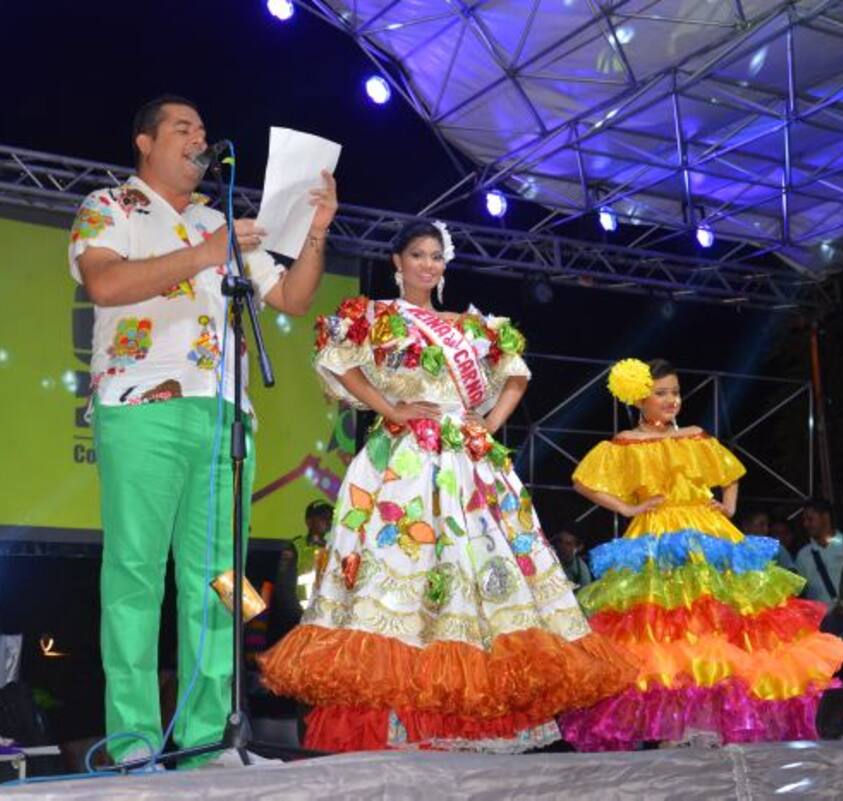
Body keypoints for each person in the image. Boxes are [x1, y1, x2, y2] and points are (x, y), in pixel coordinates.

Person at [259, 220, 628, 752]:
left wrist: (490, 422)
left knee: (474, 578)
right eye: (417, 254)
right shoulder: (377, 318)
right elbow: (337, 364)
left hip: (468, 464)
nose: (428, 264)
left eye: (435, 256)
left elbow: (516, 373)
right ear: (397, 261)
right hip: (404, 463)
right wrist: (392, 410)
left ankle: (466, 721)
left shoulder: (470, 326)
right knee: (400, 577)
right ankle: (399, 725)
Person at [68, 95, 338, 767]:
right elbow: (104, 284)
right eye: (182, 128)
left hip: (224, 415)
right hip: (139, 406)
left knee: (221, 579)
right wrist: (206, 254)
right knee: (134, 574)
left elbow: (293, 298)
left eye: (203, 130)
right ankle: (132, 742)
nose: (199, 138)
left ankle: (209, 737)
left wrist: (315, 233)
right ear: (144, 141)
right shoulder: (110, 206)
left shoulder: (219, 218)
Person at [558, 358, 843, 750]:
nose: (672, 400)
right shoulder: (627, 442)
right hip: (657, 536)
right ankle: (677, 725)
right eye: (661, 393)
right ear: (639, 398)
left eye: (676, 392)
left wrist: (728, 507)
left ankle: (718, 721)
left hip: (707, 534)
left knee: (719, 624)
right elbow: (582, 480)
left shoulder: (694, 435)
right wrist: (627, 508)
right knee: (667, 630)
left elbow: (730, 472)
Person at [794, 498, 843, 611]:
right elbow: (798, 591)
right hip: (820, 618)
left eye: (810, 519)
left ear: (825, 517)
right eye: (804, 520)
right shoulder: (803, 555)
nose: (806, 524)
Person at [286, 500, 333, 604]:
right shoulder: (296, 546)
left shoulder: (336, 548)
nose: (327, 521)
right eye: (322, 517)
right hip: (301, 610)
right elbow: (285, 587)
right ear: (309, 522)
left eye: (330, 517)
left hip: (327, 609)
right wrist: (295, 611)